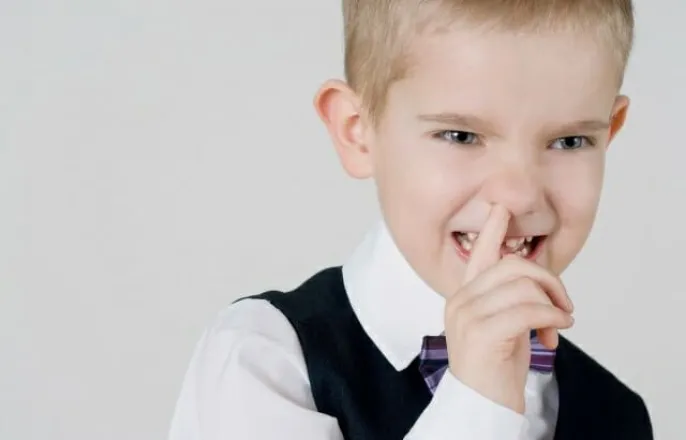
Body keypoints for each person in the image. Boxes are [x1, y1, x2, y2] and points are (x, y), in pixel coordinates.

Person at [168, 0, 654, 439]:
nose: (519, 194)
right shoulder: (266, 359)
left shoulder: (618, 414)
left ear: (610, 133)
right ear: (357, 131)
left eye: (569, 141)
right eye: (461, 136)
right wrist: (478, 403)